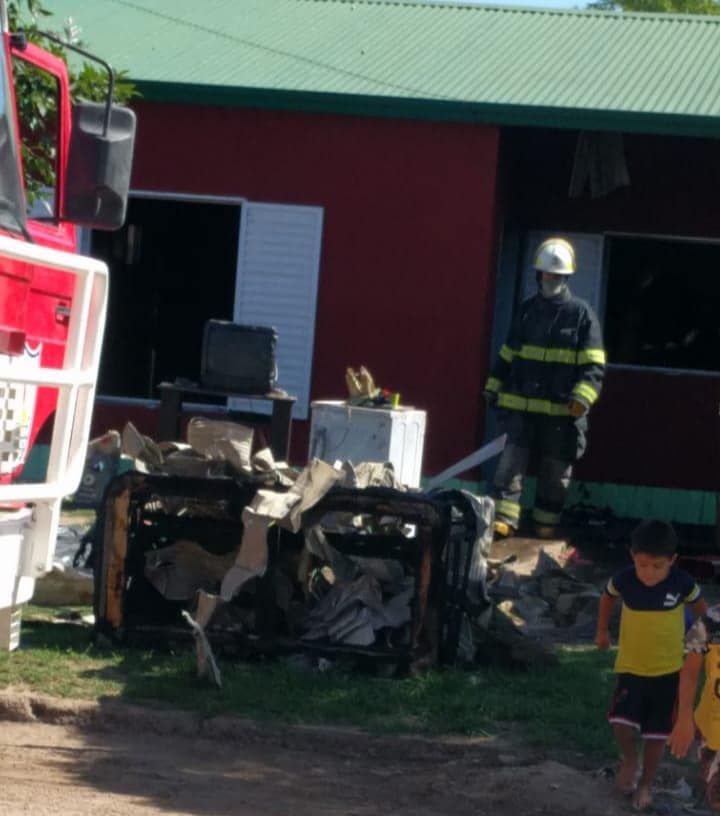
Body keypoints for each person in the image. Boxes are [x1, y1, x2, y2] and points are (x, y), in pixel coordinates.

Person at [483, 236, 606, 539]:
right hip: (522, 410)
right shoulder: (526, 311)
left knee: (555, 474)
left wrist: (582, 398)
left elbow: (594, 366)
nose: (550, 279)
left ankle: (545, 525)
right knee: (510, 465)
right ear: (539, 275)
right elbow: (508, 354)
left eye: (556, 276)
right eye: (546, 274)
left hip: (562, 415)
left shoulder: (581, 316)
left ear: (566, 278)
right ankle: (505, 523)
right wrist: (492, 386)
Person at [595, 520, 706, 812]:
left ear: (672, 561)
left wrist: (702, 640)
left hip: (669, 671)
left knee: (656, 734)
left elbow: (702, 609)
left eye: (658, 566)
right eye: (643, 564)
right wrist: (602, 631)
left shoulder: (683, 583)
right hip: (630, 666)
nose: (649, 573)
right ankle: (631, 759)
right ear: (633, 557)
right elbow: (606, 598)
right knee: (619, 722)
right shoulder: (624, 580)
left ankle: (646, 783)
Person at [668, 606, 720, 812]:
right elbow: (689, 672)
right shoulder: (710, 620)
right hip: (711, 728)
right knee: (716, 797)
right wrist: (684, 719)